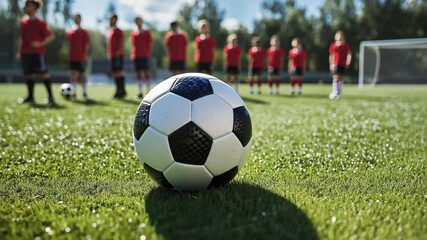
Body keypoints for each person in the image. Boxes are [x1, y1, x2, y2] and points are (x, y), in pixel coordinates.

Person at [17, 0, 55, 104]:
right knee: (29, 74)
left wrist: (40, 44)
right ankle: (30, 97)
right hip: (25, 52)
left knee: (44, 74)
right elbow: (21, 38)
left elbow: (51, 36)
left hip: (38, 53)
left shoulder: (40, 22)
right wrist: (19, 51)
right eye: (25, 5)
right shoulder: (23, 22)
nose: (26, 7)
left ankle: (51, 97)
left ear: (35, 7)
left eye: (28, 5)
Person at [66, 13, 90, 98]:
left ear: (81, 19)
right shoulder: (70, 31)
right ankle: (73, 92)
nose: (76, 20)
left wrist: (85, 55)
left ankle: (84, 92)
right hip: (72, 57)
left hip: (81, 57)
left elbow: (86, 44)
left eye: (78, 18)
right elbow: (69, 44)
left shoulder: (84, 32)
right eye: (75, 18)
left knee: (82, 74)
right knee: (73, 74)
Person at [130, 16, 153, 98]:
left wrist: (148, 53)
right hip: (136, 55)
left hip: (144, 55)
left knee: (146, 72)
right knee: (138, 73)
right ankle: (139, 92)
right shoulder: (133, 33)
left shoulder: (146, 32)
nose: (138, 22)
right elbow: (133, 45)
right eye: (136, 21)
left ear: (142, 21)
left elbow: (150, 43)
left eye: (139, 21)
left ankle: (148, 91)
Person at [329, 31, 352, 99]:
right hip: (335, 64)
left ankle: (339, 91)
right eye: (338, 36)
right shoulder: (333, 45)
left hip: (342, 64)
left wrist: (348, 60)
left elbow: (349, 53)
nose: (339, 37)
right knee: (335, 77)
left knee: (341, 77)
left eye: (341, 35)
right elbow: (331, 55)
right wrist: (331, 63)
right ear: (335, 37)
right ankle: (335, 91)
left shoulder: (346, 45)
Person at [108, 14, 126, 99]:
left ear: (115, 19)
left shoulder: (118, 31)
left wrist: (118, 52)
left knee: (119, 72)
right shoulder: (110, 30)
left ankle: (121, 91)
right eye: (110, 19)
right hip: (112, 55)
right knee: (115, 73)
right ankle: (118, 91)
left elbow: (121, 42)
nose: (111, 20)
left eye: (112, 19)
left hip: (118, 55)